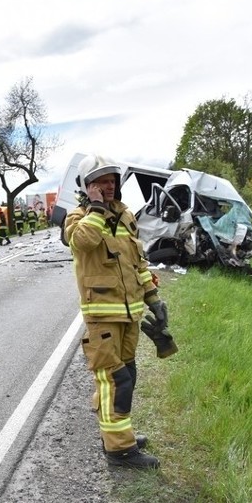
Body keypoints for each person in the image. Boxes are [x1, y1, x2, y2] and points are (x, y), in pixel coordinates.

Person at [65, 155, 177, 470]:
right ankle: (120, 451)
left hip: (131, 314)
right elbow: (84, 243)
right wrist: (96, 207)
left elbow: (138, 263)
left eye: (112, 179)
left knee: (129, 375)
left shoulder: (126, 215)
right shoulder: (78, 218)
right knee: (115, 381)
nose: (110, 185)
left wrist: (153, 297)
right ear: (87, 186)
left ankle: (117, 434)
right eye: (101, 180)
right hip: (102, 317)